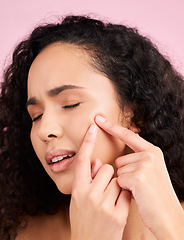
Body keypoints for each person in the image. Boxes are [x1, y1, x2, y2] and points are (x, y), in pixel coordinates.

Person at [0, 15, 184, 240]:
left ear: (136, 114)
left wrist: (173, 227)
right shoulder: (20, 232)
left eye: (70, 104)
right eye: (36, 116)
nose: (43, 130)